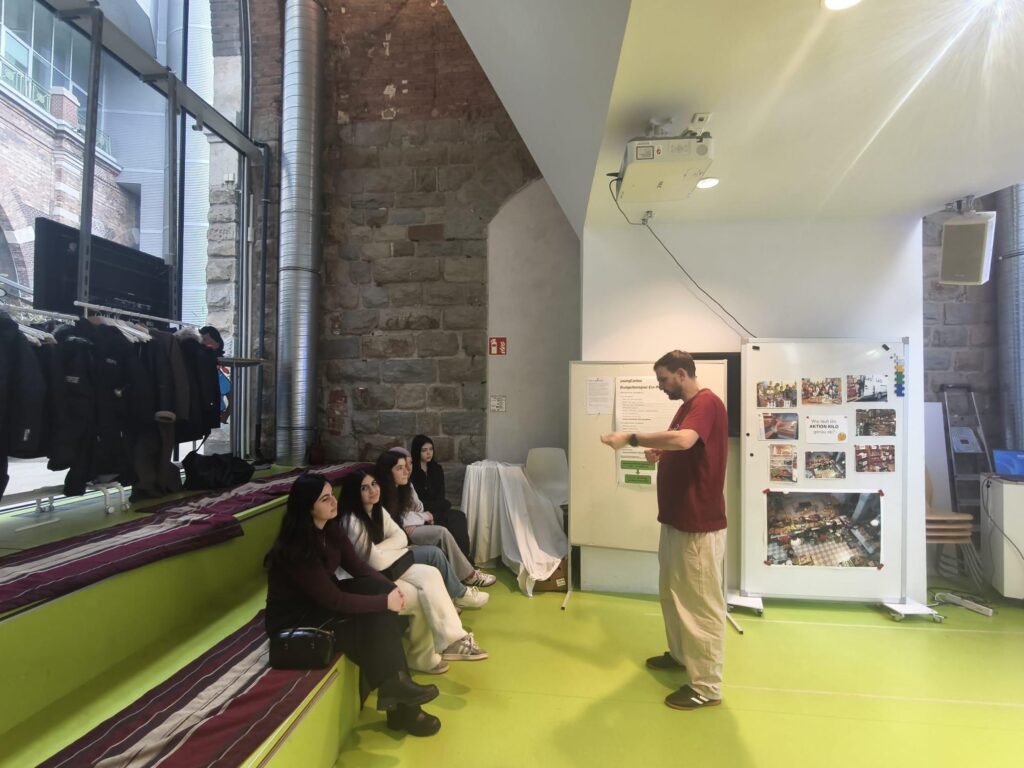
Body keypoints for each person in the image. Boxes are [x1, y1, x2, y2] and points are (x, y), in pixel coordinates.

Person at [263, 472, 441, 736]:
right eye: (325, 499)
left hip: (319, 602)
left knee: (377, 592)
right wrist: (384, 602)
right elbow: (335, 600)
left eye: (331, 495)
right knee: (376, 618)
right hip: (297, 619)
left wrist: (389, 589)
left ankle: (396, 694)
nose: (333, 502)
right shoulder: (298, 548)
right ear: (308, 508)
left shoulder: (330, 529)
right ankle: (404, 708)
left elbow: (358, 567)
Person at [600, 350, 728, 711]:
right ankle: (681, 655)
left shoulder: (706, 403)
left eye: (664, 379)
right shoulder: (686, 408)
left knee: (700, 604)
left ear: (682, 373)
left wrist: (633, 438)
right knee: (672, 594)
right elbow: (682, 444)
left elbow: (685, 440)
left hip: (697, 525)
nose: (660, 386)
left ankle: (707, 686)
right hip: (676, 519)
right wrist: (660, 452)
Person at [338, 470, 489, 663]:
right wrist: (390, 551)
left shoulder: (377, 510)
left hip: (386, 568)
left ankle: (450, 642)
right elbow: (375, 562)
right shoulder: (351, 520)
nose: (372, 491)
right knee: (421, 592)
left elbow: (401, 537)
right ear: (354, 493)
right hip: (362, 578)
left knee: (431, 573)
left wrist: (380, 550)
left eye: (374, 484)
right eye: (364, 488)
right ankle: (427, 655)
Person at [377, 449, 496, 588]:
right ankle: (469, 576)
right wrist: (418, 519)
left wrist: (410, 492)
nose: (406, 471)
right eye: (400, 468)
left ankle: (466, 571)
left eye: (407, 465)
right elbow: (399, 520)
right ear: (387, 472)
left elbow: (419, 508)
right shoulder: (383, 493)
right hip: (402, 535)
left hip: (412, 526)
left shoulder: (405, 486)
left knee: (455, 519)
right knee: (441, 532)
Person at [409, 435, 473, 560]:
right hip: (421, 513)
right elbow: (418, 502)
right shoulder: (412, 472)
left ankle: (465, 559)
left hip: (437, 511)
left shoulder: (436, 469)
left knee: (459, 517)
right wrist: (433, 510)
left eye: (431, 449)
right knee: (446, 518)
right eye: (424, 450)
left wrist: (437, 511)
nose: (428, 453)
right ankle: (454, 560)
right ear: (417, 451)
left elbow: (441, 498)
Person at [199, 325, 232, 423]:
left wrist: (226, 414)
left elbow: (233, 398)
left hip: (213, 413)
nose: (202, 343)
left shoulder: (223, 367)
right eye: (201, 340)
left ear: (217, 343)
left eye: (205, 340)